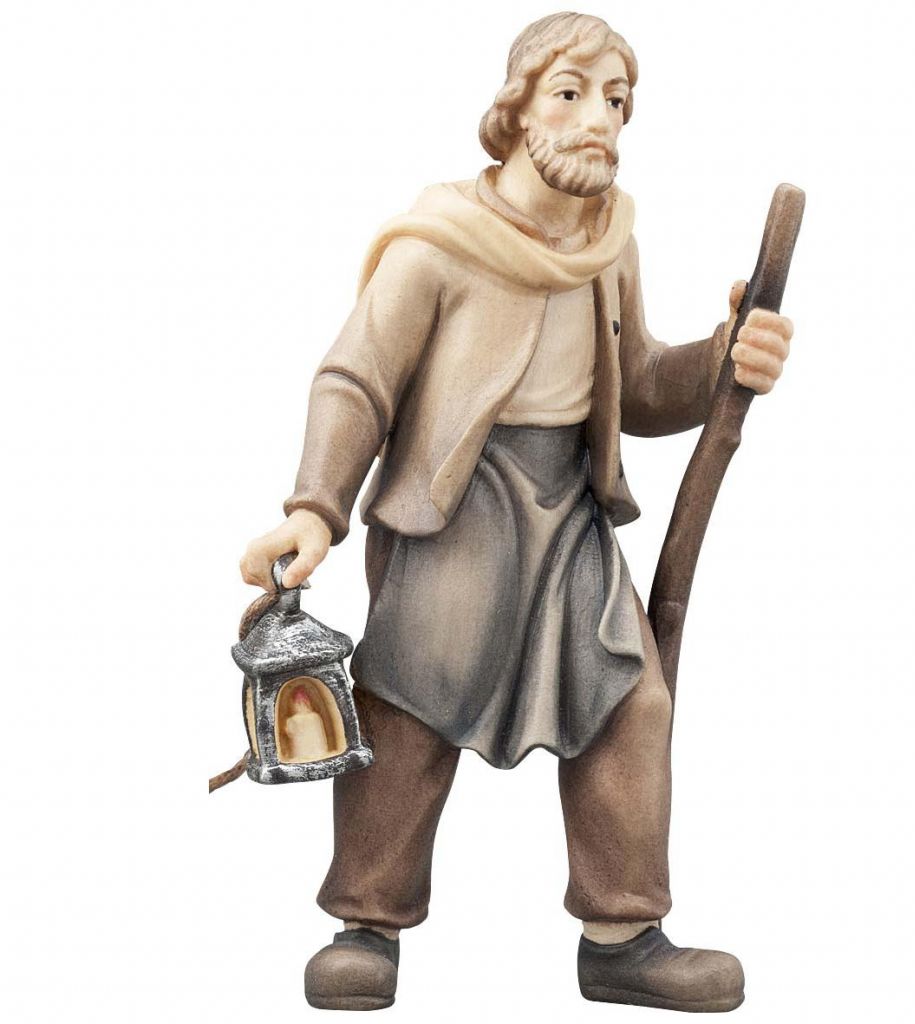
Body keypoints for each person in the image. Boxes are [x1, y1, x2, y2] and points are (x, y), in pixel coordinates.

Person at [241, 12, 793, 1013]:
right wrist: (314, 508)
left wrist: (722, 357)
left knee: (631, 703)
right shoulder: (440, 242)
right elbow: (357, 379)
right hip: (456, 508)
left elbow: (637, 383)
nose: (599, 120)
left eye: (616, 101)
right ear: (517, 110)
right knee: (408, 701)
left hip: (568, 509)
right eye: (571, 94)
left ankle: (623, 933)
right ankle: (366, 920)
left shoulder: (609, 242)